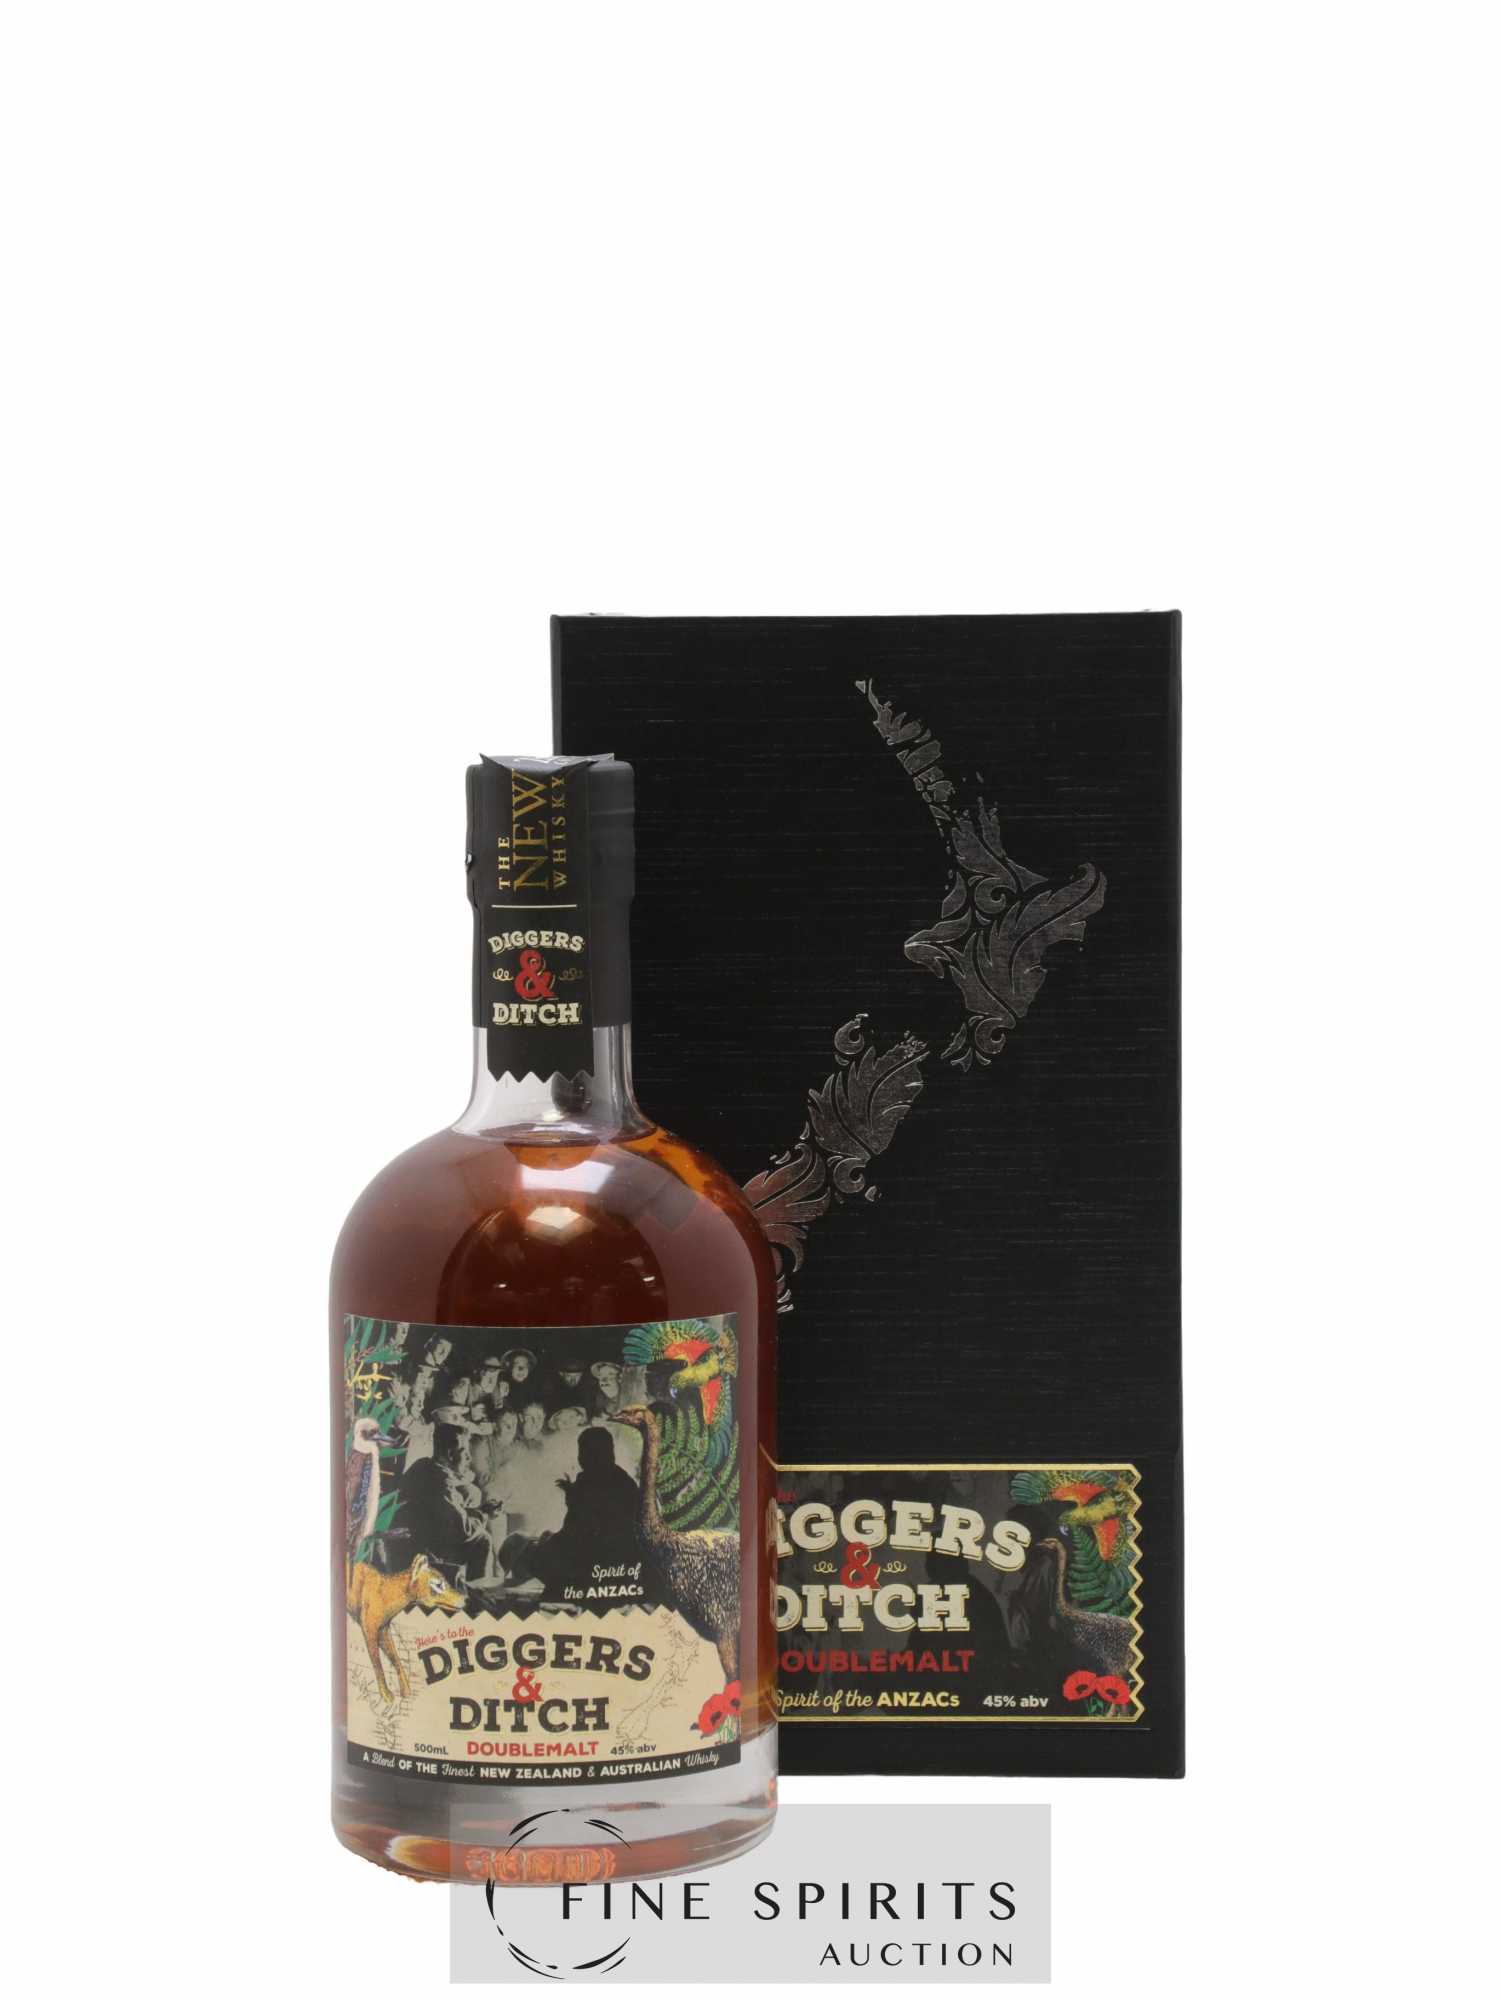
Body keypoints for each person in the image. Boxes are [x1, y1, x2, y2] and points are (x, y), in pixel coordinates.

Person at [528, 1425, 643, 1594]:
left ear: (589, 1454)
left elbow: (574, 1532)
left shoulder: (586, 1482)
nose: (579, 1457)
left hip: (590, 1565)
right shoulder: (626, 1480)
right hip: (622, 1565)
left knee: (529, 1554)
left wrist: (547, 1543)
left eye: (582, 1451)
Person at [396, 1419, 491, 1583]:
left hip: (407, 1545)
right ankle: (477, 1593)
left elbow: (448, 1515)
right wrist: (483, 1514)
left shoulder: (421, 1466)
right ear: (450, 1454)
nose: (469, 1458)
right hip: (425, 1552)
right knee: (482, 1539)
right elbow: (463, 1531)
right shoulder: (442, 1480)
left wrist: (473, 1513)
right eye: (464, 1452)